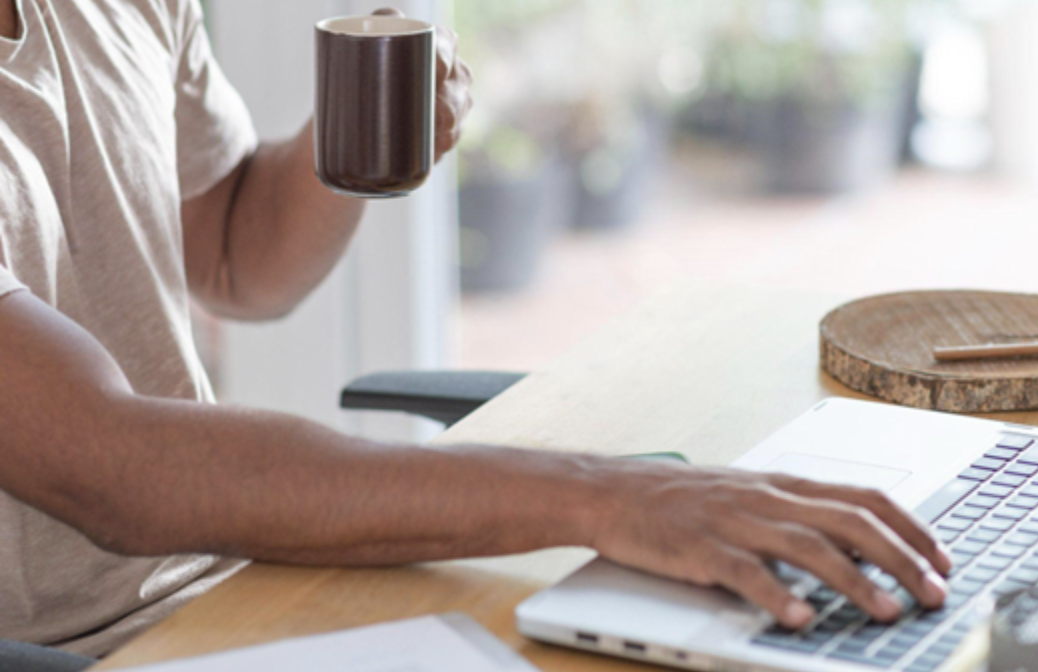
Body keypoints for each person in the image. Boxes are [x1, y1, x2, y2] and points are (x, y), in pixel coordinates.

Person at [0, 0, 950, 668]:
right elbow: (115, 469)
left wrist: (351, 135)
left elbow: (236, 255)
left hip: (240, 587)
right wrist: (606, 495)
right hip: (82, 647)